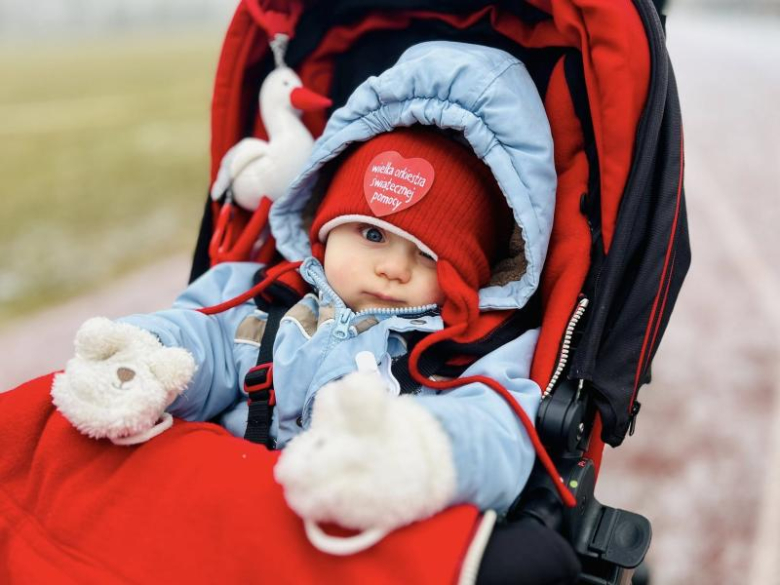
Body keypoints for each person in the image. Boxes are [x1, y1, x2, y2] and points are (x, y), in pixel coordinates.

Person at [51, 41, 570, 543]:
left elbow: (497, 427)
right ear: (324, 229)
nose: (392, 267)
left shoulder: (469, 350)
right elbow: (203, 331)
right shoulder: (269, 297)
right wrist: (149, 358)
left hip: (350, 534)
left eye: (429, 255)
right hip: (223, 511)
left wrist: (413, 450)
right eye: (372, 234)